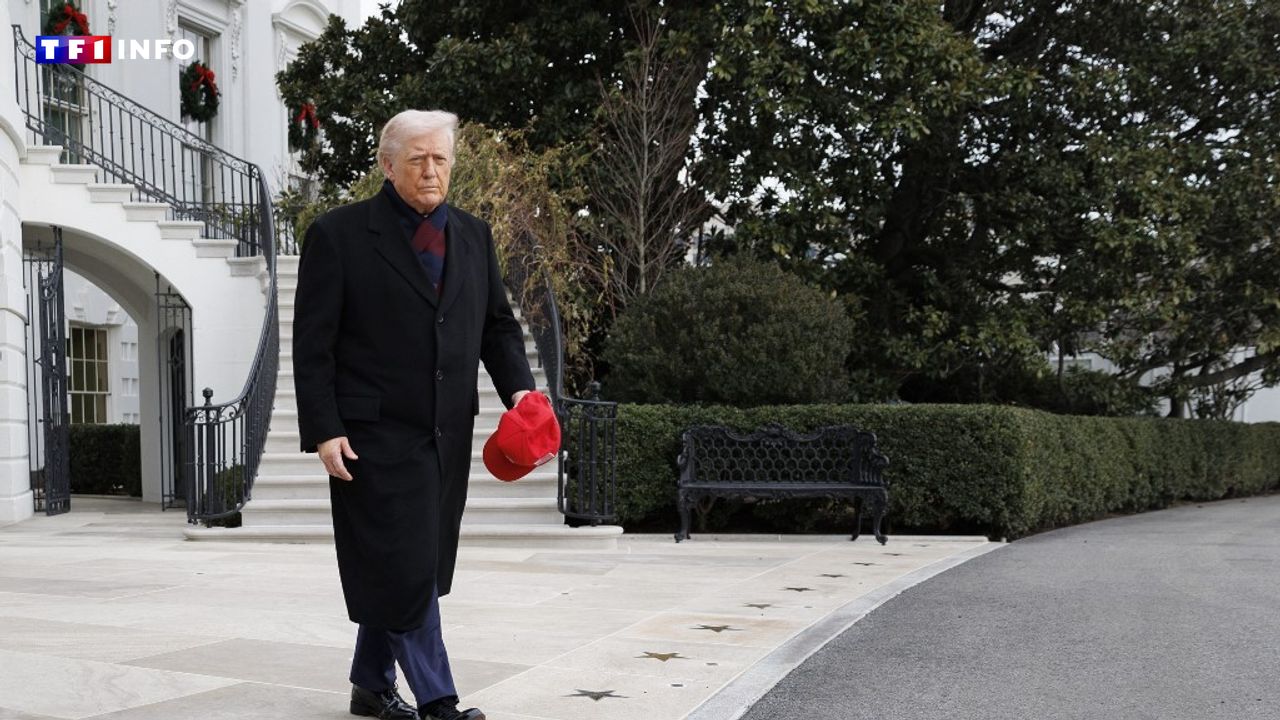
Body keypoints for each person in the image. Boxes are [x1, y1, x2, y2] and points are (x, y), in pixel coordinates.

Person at [292, 109, 536, 720]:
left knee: (411, 563)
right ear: (387, 164)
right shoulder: (338, 235)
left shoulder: (474, 236)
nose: (431, 170)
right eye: (418, 158)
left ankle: (370, 684)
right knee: (403, 564)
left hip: (445, 434)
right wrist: (323, 427)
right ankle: (438, 701)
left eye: (441, 159)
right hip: (370, 437)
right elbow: (313, 343)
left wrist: (522, 394)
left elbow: (497, 326)